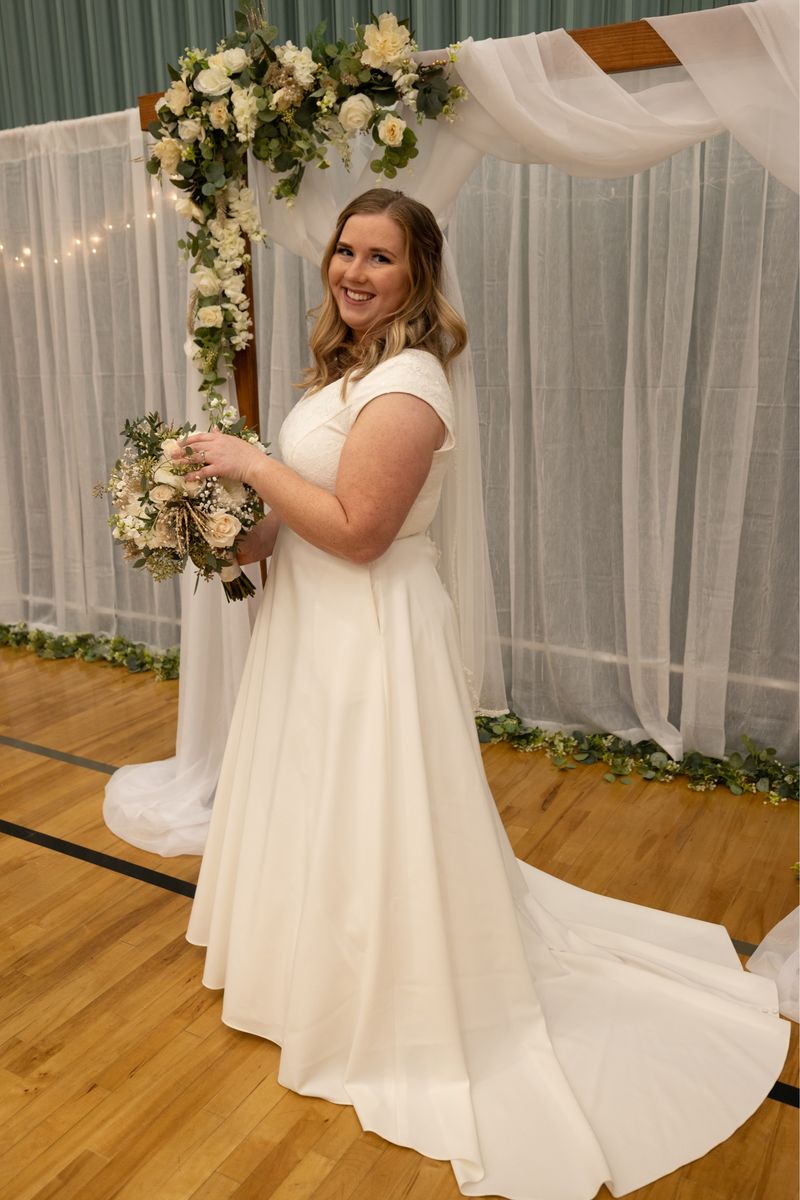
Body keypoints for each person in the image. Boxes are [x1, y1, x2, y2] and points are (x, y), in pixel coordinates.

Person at [175, 188, 788, 1200]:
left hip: (370, 626)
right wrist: (232, 529)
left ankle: (381, 998)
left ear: (417, 273)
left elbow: (363, 531)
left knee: (375, 808)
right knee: (314, 795)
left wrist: (249, 460)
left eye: (380, 257)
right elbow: (305, 503)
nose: (354, 272)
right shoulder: (343, 370)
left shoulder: (411, 382)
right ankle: (309, 976)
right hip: (307, 623)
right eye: (344, 251)